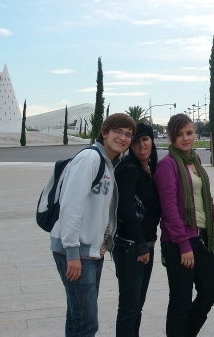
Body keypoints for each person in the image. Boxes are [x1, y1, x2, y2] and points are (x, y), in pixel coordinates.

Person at [50, 113, 136, 337]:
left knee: (77, 317)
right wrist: (72, 252)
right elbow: (71, 205)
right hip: (78, 252)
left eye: (128, 134)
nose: (123, 137)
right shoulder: (91, 158)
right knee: (87, 323)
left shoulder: (107, 163)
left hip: (91, 251)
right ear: (105, 132)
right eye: (118, 131)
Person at [154, 113, 214, 337]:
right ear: (170, 137)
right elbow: (169, 209)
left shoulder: (194, 161)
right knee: (181, 299)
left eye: (189, 133)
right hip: (179, 242)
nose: (186, 138)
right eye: (180, 134)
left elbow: (207, 199)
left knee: (210, 292)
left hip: (202, 237)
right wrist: (184, 245)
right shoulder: (167, 165)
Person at [113, 122, 161, 336]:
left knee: (136, 307)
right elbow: (126, 210)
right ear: (130, 146)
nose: (142, 144)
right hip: (131, 247)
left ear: (152, 140)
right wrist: (141, 244)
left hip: (144, 246)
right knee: (129, 308)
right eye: (136, 140)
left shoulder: (148, 169)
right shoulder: (130, 169)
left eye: (145, 139)